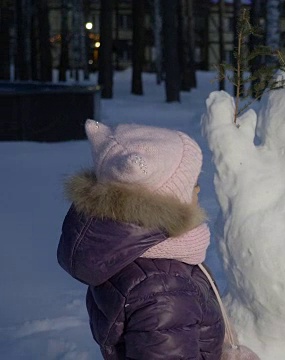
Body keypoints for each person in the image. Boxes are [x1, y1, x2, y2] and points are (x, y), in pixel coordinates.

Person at [57, 119, 225, 359]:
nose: (198, 190)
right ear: (164, 202)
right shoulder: (163, 286)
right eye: (191, 184)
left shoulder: (125, 252)